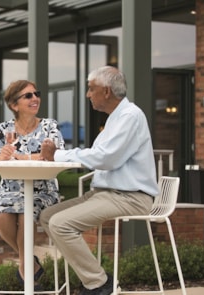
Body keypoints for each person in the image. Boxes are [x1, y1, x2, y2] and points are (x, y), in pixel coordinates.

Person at [39, 66, 159, 295]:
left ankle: (98, 284)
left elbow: (105, 158)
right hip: (107, 193)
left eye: (90, 89)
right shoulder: (115, 119)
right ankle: (93, 280)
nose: (87, 94)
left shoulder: (130, 116)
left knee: (60, 224)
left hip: (131, 196)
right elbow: (100, 155)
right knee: (48, 216)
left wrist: (57, 155)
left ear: (106, 91)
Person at [0, 80, 65, 288]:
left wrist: (19, 156)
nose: (35, 98)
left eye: (36, 94)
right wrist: (2, 155)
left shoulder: (49, 126)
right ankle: (30, 262)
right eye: (28, 96)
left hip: (43, 189)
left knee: (26, 212)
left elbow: (57, 155)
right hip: (10, 188)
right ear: (13, 104)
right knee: (2, 217)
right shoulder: (5, 129)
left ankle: (26, 272)